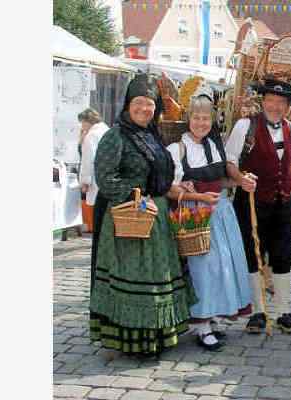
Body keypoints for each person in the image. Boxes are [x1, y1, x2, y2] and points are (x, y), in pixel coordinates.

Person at [88, 74, 196, 357]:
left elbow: (157, 177)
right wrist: (137, 196)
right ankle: (135, 341)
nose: (144, 109)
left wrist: (173, 187)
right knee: (137, 278)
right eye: (138, 103)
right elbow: (105, 178)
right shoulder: (116, 136)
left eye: (149, 104)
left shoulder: (153, 135)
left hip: (156, 218)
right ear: (127, 105)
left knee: (158, 276)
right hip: (130, 219)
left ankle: (157, 336)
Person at [166, 90, 253, 352]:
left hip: (220, 210)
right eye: (196, 117)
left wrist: (242, 180)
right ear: (188, 118)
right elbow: (170, 187)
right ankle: (201, 325)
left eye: (206, 118)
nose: (201, 123)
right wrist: (196, 195)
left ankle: (213, 316)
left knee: (222, 265)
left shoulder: (215, 146)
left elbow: (220, 179)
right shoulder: (176, 148)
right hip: (196, 214)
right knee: (202, 268)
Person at [225, 77, 291, 334]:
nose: (276, 106)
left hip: (282, 202)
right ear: (263, 101)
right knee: (253, 254)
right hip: (252, 201)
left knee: (283, 255)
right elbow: (230, 162)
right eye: (271, 100)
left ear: (287, 105)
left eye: (281, 102)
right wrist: (240, 179)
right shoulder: (245, 126)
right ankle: (258, 312)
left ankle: (283, 312)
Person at [79, 108, 110, 233]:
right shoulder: (107, 131)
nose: (81, 126)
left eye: (82, 122)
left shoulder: (91, 136)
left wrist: (85, 181)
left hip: (97, 178)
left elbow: (88, 159)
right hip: (109, 177)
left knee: (97, 210)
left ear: (87, 121)